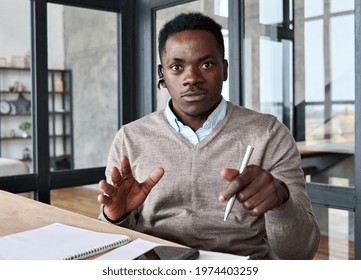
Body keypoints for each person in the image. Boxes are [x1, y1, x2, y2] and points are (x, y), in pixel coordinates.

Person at [98, 12, 320, 260]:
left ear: (224, 69)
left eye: (206, 64)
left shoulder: (268, 134)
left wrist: (281, 202)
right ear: (162, 74)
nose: (191, 78)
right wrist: (114, 217)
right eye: (176, 67)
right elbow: (113, 245)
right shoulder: (130, 137)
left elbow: (300, 254)